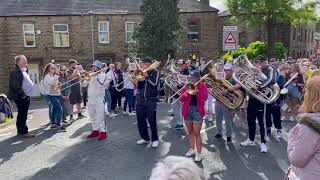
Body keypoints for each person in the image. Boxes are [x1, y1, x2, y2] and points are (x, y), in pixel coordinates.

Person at [286, 77, 320, 180]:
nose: (304, 93)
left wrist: (291, 136)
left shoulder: (309, 126)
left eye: (306, 90)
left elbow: (297, 160)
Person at [240, 55, 276, 153]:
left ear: (265, 62)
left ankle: (263, 143)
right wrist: (245, 78)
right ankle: (251, 140)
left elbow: (271, 80)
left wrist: (259, 87)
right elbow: (249, 80)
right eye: (256, 62)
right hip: (252, 98)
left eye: (260, 62)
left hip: (262, 99)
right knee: (250, 120)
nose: (258, 64)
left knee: (262, 122)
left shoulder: (270, 69)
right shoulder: (254, 70)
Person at [180, 70, 208, 162]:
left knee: (197, 133)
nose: (190, 79)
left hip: (197, 111)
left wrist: (197, 92)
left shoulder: (202, 86)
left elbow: (204, 98)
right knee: (190, 132)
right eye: (190, 77)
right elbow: (182, 99)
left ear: (197, 78)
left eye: (192, 78)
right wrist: (186, 93)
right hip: (187, 110)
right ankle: (192, 149)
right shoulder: (187, 86)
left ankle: (198, 153)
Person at [135, 58, 160, 148]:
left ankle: (155, 139)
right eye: (142, 64)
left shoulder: (156, 72)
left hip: (151, 99)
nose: (143, 66)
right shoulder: (141, 72)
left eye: (144, 64)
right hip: (140, 99)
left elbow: (154, 83)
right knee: (140, 120)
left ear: (149, 64)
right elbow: (140, 86)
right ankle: (145, 138)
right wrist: (140, 78)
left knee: (152, 120)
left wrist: (146, 76)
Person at [8, 55, 35, 138]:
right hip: (21, 97)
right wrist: (23, 95)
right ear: (18, 62)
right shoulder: (15, 71)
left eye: (26, 60)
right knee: (23, 114)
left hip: (25, 96)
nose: (26, 61)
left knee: (22, 114)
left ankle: (20, 131)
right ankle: (24, 132)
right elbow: (14, 85)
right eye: (24, 60)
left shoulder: (23, 70)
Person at [87, 60, 110, 141]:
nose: (93, 68)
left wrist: (95, 77)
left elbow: (102, 85)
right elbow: (84, 85)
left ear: (99, 68)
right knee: (92, 115)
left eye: (95, 66)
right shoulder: (91, 75)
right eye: (92, 66)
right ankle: (95, 130)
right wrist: (85, 79)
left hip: (99, 98)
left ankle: (103, 132)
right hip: (90, 98)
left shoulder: (104, 76)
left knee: (100, 116)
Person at [214, 63, 237, 143]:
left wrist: (233, 107)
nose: (226, 71)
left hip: (227, 102)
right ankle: (219, 132)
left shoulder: (234, 79)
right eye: (225, 70)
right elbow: (214, 86)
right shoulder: (220, 76)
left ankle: (229, 136)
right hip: (218, 100)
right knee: (218, 118)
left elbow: (237, 94)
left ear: (231, 71)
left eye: (228, 70)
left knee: (228, 120)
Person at [43, 63, 65, 130]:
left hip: (57, 94)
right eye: (52, 68)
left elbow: (55, 84)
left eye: (54, 68)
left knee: (55, 110)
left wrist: (59, 84)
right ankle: (58, 124)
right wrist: (56, 75)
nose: (54, 69)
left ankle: (53, 124)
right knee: (59, 109)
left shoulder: (53, 75)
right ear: (48, 70)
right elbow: (51, 83)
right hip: (51, 95)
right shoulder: (47, 76)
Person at [172, 59, 189, 130]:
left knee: (181, 110)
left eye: (181, 65)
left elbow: (186, 84)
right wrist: (173, 81)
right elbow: (176, 81)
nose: (180, 66)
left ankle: (182, 123)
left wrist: (177, 86)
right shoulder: (178, 71)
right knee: (175, 109)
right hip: (176, 93)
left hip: (182, 93)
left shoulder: (187, 72)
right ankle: (179, 123)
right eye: (179, 65)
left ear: (185, 65)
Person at [200, 58, 214, 122]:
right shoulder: (203, 71)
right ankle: (206, 115)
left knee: (209, 103)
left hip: (210, 89)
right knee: (205, 103)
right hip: (205, 88)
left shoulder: (211, 73)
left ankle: (210, 116)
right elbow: (202, 81)